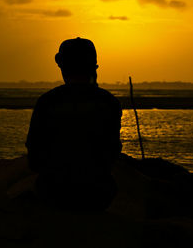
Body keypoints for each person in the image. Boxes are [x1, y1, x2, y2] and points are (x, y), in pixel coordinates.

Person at [26, 37, 122, 210]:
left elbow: (34, 156)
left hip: (54, 191)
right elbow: (112, 152)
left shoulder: (47, 102)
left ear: (63, 67)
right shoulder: (109, 102)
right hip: (98, 193)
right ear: (94, 67)